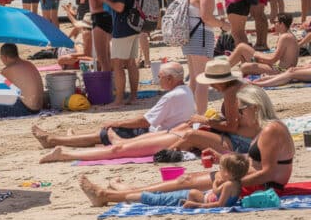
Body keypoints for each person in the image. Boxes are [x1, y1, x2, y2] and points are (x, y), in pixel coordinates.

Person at [80, 85, 292, 199]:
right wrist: (224, 159)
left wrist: (233, 183)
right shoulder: (267, 128)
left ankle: (108, 195)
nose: (239, 115)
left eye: (241, 110)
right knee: (186, 179)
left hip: (260, 186)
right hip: (250, 179)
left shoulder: (272, 130)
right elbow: (256, 160)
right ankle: (127, 191)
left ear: (254, 107)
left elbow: (268, 172)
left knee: (186, 183)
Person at [39, 60, 255, 163]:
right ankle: (122, 144)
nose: (211, 87)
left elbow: (234, 127)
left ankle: (66, 152)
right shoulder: (237, 89)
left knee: (188, 132)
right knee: (185, 128)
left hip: (239, 143)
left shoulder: (231, 93)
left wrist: (202, 120)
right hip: (235, 137)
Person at [32, 62, 194, 149]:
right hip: (164, 132)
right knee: (106, 131)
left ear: (170, 79)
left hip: (154, 134)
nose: (158, 80)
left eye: (160, 77)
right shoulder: (186, 91)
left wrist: (116, 122)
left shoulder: (171, 96)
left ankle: (53, 140)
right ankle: (71, 138)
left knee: (107, 132)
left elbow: (145, 121)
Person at [90, 154, 248, 210]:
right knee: (169, 191)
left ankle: (108, 195)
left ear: (229, 173)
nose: (219, 171)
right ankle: (121, 190)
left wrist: (197, 204)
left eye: (221, 169)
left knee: (161, 197)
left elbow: (219, 203)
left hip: (198, 198)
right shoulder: (234, 183)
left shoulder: (228, 184)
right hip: (202, 195)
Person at [180, 0, 232, 113]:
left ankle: (189, 114)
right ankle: (200, 118)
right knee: (203, 80)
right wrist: (223, 24)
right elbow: (206, 17)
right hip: (200, 36)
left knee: (194, 81)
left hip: (188, 35)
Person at [104, 0, 140, 106]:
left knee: (118, 64)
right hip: (134, 26)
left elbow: (119, 7)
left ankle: (118, 99)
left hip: (123, 26)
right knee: (131, 63)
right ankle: (133, 97)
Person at [227, 14, 298, 76]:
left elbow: (273, 60)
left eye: (275, 22)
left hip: (280, 71)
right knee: (242, 47)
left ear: (281, 24)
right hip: (280, 68)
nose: (274, 24)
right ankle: (223, 68)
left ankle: (223, 68)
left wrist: (258, 55)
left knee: (244, 66)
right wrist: (259, 55)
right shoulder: (289, 35)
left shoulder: (285, 37)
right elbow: (276, 57)